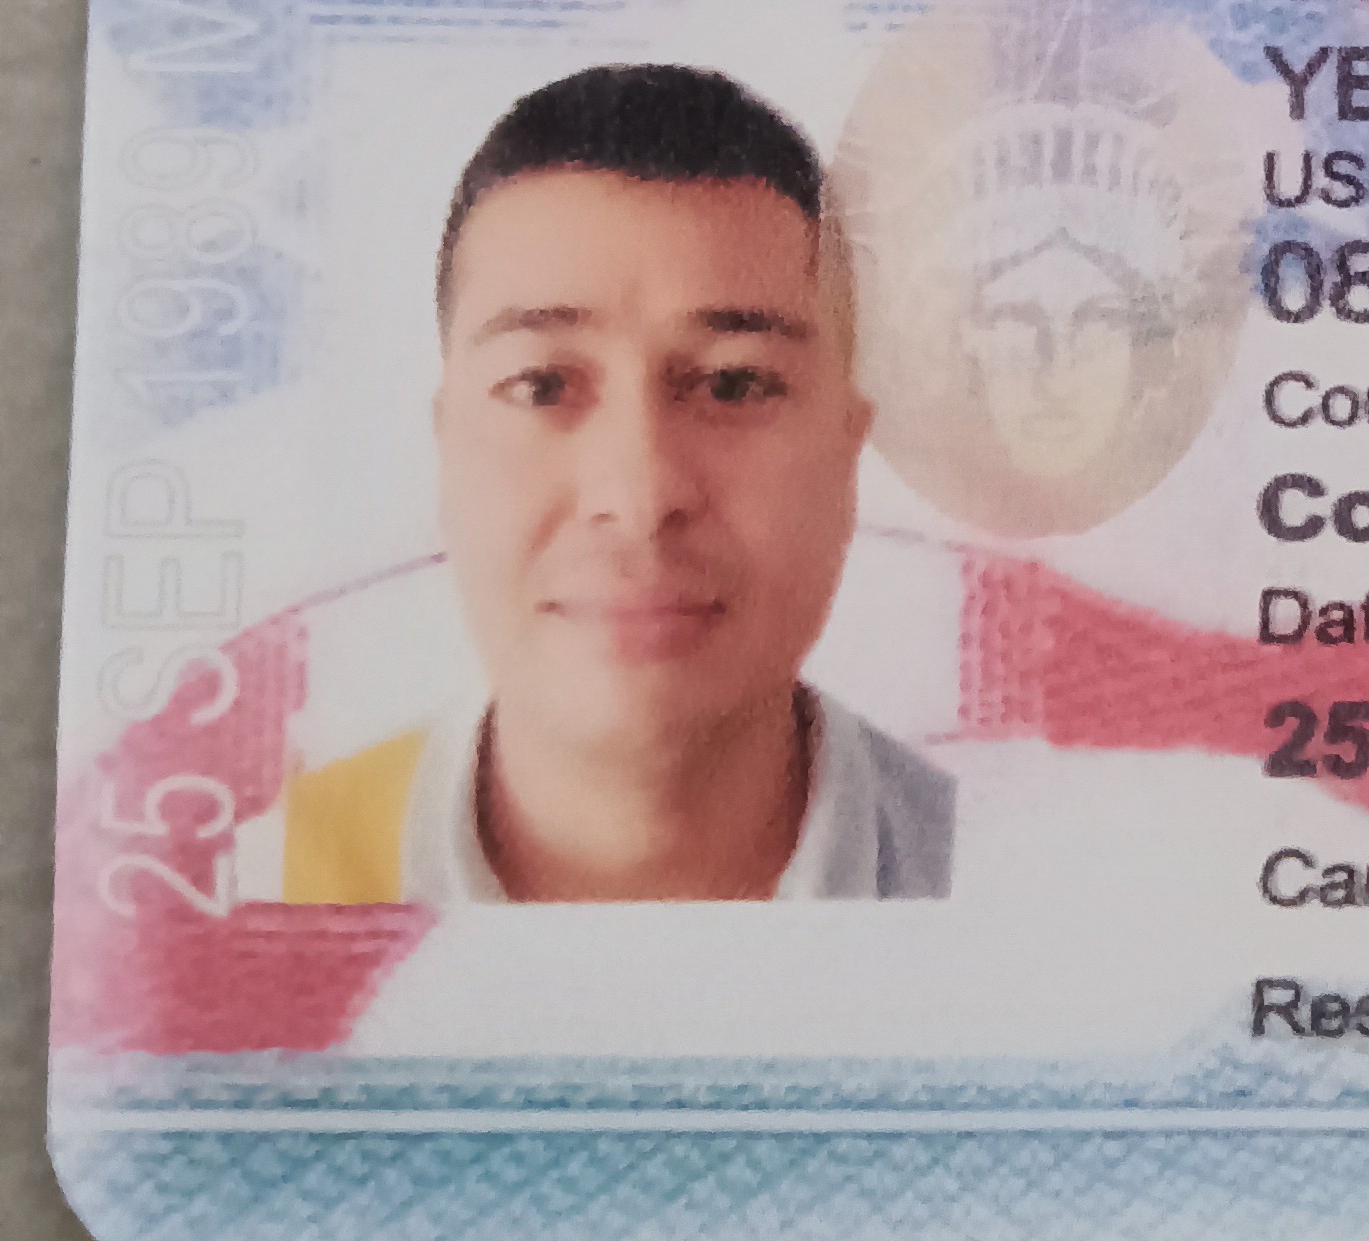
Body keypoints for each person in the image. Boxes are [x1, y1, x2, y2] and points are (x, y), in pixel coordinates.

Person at [276, 63, 954, 903]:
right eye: (541, 387)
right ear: (446, 444)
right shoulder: (242, 886)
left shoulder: (1029, 884)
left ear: (849, 449)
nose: (640, 498)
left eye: (734, 384)